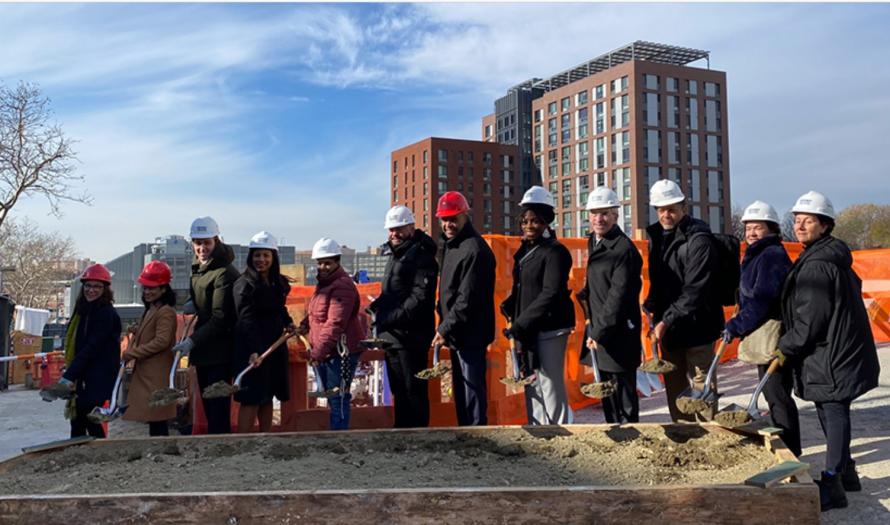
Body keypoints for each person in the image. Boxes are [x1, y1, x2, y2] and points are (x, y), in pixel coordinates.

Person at [778, 191, 880, 512]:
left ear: (825, 225)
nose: (800, 225)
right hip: (841, 349)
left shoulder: (817, 265)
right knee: (835, 411)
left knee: (833, 413)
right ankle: (848, 473)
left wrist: (785, 346)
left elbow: (811, 320)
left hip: (830, 354)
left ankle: (833, 482)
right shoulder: (830, 256)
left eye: (808, 221)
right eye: (797, 220)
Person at [723, 201, 800, 456]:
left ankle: (790, 451)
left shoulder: (771, 256)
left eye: (758, 228)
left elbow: (763, 299)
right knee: (773, 393)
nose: (751, 233)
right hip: (766, 334)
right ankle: (786, 447)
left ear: (771, 229)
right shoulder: (758, 254)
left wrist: (737, 325)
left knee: (777, 395)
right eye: (748, 228)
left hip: (775, 335)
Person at [644, 179, 724, 422]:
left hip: (699, 326)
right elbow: (660, 281)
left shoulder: (700, 240)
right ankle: (683, 432)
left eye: (672, 208)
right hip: (671, 328)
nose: (666, 214)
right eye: (661, 209)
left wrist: (664, 320)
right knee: (675, 384)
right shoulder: (657, 238)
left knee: (701, 385)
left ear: (683, 208)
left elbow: (695, 290)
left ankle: (710, 436)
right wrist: (651, 303)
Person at [500, 186, 575, 425]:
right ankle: (539, 428)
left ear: (546, 222)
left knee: (549, 382)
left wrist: (521, 322)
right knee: (531, 378)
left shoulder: (555, 252)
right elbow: (523, 286)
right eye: (525, 221)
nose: (529, 226)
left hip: (551, 326)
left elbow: (550, 292)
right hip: (529, 328)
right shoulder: (525, 251)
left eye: (535, 221)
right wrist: (511, 304)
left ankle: (558, 430)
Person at [369, 205, 438, 428]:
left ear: (411, 226)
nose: (394, 234)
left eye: (399, 228)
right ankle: (402, 431)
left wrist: (388, 318)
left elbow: (418, 298)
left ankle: (416, 434)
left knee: (413, 389)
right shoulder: (397, 254)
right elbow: (394, 291)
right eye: (391, 229)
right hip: (394, 337)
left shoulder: (421, 256)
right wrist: (377, 307)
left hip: (412, 336)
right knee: (400, 389)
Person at [432, 191, 496, 426]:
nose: (448, 224)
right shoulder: (452, 245)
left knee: (472, 389)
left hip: (471, 333)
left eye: (453, 218)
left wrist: (444, 327)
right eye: (444, 219)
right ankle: (466, 432)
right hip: (458, 332)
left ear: (465, 215)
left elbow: (466, 299)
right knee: (462, 389)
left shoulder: (474, 250)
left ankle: (477, 434)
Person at [580, 187, 643, 424]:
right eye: (595, 213)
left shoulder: (622, 249)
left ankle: (629, 437)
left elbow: (618, 297)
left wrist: (597, 332)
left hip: (618, 332)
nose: (599, 219)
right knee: (606, 389)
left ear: (616, 215)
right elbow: (600, 281)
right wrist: (585, 293)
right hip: (602, 329)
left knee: (623, 391)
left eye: (605, 213)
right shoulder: (595, 242)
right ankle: (614, 433)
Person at [173, 216, 240, 434]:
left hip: (221, 351)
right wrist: (196, 301)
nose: (202, 248)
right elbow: (205, 301)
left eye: (207, 243)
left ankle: (220, 447)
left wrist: (192, 340)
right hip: (205, 349)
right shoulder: (199, 267)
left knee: (218, 406)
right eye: (197, 243)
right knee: (208, 404)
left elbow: (220, 317)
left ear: (216, 241)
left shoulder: (223, 272)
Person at [233, 231, 296, 433]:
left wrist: (288, 322)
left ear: (273, 257)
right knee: (250, 397)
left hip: (274, 346)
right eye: (257, 255)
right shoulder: (244, 285)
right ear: (251, 257)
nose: (261, 260)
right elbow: (245, 320)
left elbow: (279, 308)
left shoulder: (277, 283)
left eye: (266, 255)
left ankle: (265, 439)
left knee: (267, 395)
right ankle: (243, 443)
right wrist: (254, 350)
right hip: (252, 347)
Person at [299, 237, 364, 430]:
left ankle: (339, 437)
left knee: (338, 398)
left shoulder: (342, 286)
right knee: (333, 397)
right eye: (320, 263)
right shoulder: (325, 284)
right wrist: (304, 325)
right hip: (329, 350)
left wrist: (318, 352)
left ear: (337, 262)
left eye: (328, 263)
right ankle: (336, 434)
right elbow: (317, 313)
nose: (323, 267)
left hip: (341, 352)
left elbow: (335, 323)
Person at [55, 264, 122, 438]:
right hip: (83, 376)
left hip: (99, 377)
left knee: (91, 421)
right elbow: (78, 346)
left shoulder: (106, 314)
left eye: (97, 286)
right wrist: (71, 371)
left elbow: (92, 347)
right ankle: (77, 455)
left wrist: (70, 374)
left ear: (105, 289)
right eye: (88, 286)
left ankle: (98, 457)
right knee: (77, 420)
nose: (91, 290)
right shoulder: (82, 311)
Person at [121, 261, 178, 436]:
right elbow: (154, 333)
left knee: (157, 416)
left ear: (163, 289)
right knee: (153, 416)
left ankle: (162, 449)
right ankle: (158, 448)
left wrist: (133, 353)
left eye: (152, 288)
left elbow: (162, 340)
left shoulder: (165, 312)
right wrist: (138, 331)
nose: (147, 292)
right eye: (145, 288)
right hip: (149, 373)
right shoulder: (152, 309)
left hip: (156, 373)